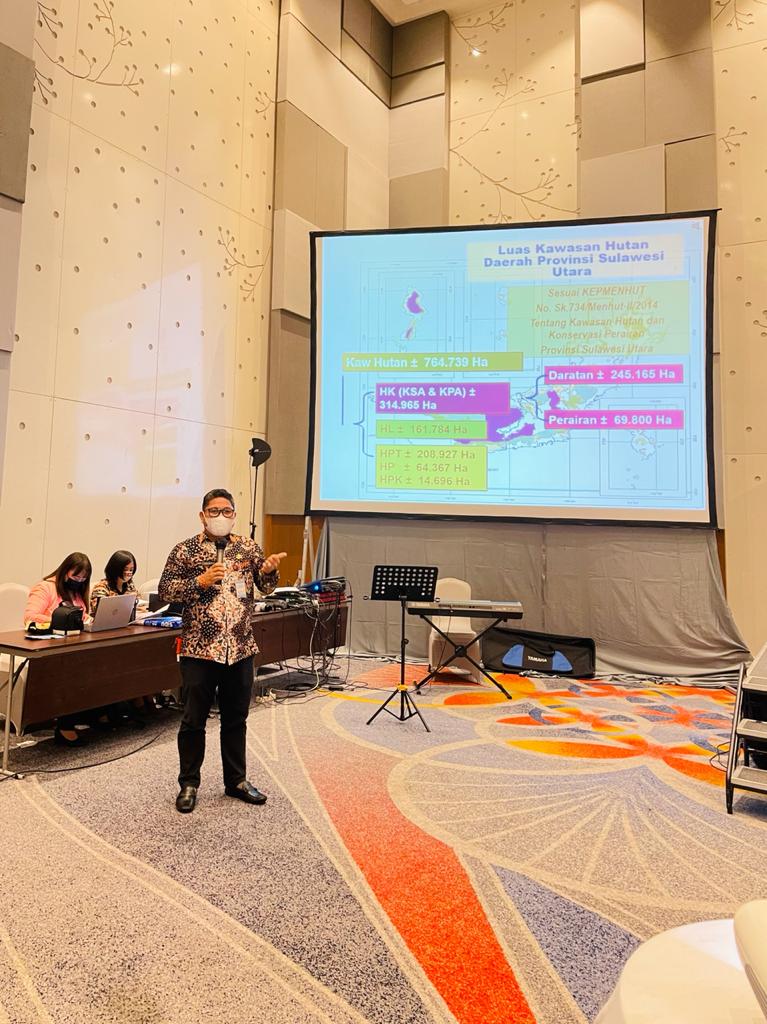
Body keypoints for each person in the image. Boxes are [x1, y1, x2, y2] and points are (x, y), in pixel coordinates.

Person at [158, 488, 287, 813]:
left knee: (236, 719)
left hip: (240, 648)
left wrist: (268, 571)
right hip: (199, 650)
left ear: (234, 515)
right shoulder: (184, 550)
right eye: (214, 511)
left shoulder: (247, 547)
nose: (220, 516)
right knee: (193, 720)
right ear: (203, 515)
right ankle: (189, 783)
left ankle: (236, 780)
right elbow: (165, 590)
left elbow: (265, 586)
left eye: (226, 511)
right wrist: (200, 581)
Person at [24, 552, 92, 746]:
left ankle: (97, 714)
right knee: (75, 669)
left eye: (83, 578)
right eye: (76, 576)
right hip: (45, 647)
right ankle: (65, 726)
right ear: (65, 571)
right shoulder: (45, 588)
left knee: (97, 663)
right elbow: (31, 616)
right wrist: (63, 620)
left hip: (71, 646)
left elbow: (83, 617)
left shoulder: (76, 593)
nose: (79, 581)